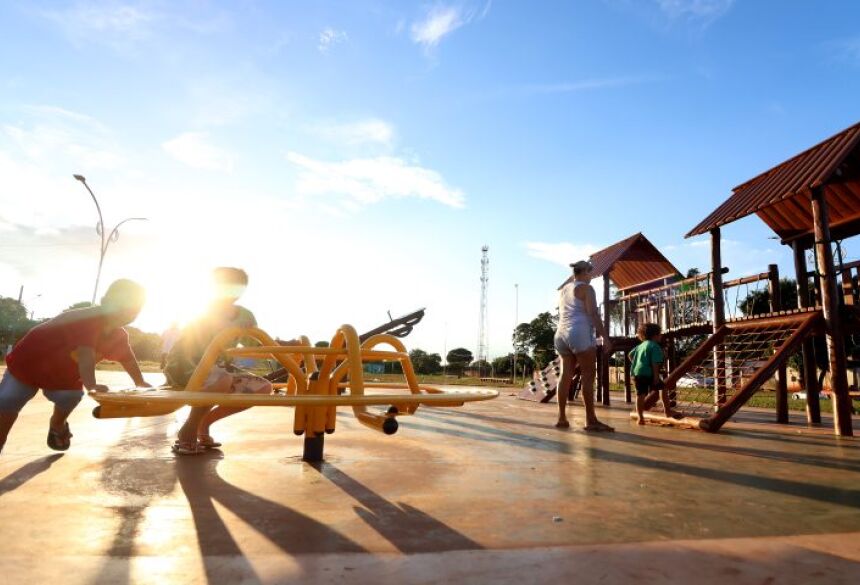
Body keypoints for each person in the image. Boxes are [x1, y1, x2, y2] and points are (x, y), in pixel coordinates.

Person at [0, 279, 149, 453]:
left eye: (134, 309)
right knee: (7, 401)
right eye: (120, 305)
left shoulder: (119, 336)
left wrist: (140, 382)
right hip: (27, 366)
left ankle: (57, 424)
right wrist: (91, 385)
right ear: (104, 302)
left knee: (71, 396)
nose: (125, 312)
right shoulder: (88, 319)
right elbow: (86, 355)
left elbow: (128, 359)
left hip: (62, 376)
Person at [164, 267, 273, 455]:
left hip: (220, 370)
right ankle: (188, 431)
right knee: (221, 380)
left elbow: (256, 344)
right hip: (186, 366)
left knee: (262, 388)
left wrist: (282, 344)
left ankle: (204, 423)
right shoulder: (203, 310)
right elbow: (188, 343)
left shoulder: (245, 315)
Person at [553, 260, 614, 431]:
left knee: (565, 375)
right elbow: (593, 314)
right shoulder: (587, 289)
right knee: (588, 375)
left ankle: (562, 418)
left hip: (560, 335)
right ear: (585, 272)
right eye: (590, 273)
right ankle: (591, 420)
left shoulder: (565, 289)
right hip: (579, 333)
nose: (592, 276)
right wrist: (606, 338)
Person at [629, 322, 677, 424]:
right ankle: (667, 411)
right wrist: (656, 377)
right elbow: (655, 363)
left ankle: (640, 418)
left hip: (636, 373)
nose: (661, 336)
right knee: (663, 388)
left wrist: (638, 363)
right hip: (649, 373)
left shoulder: (640, 346)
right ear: (655, 336)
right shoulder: (654, 346)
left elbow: (630, 355)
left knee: (640, 395)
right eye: (660, 334)